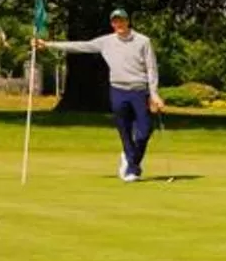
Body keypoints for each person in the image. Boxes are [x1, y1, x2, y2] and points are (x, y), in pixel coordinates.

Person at [36, 10, 164, 181]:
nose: (119, 24)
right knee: (124, 130)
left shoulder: (143, 41)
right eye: (115, 22)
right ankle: (132, 169)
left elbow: (151, 68)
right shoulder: (106, 42)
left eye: (122, 21)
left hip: (140, 90)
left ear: (128, 22)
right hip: (118, 90)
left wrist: (154, 94)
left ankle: (130, 156)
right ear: (112, 24)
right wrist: (49, 45)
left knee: (145, 130)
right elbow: (79, 46)